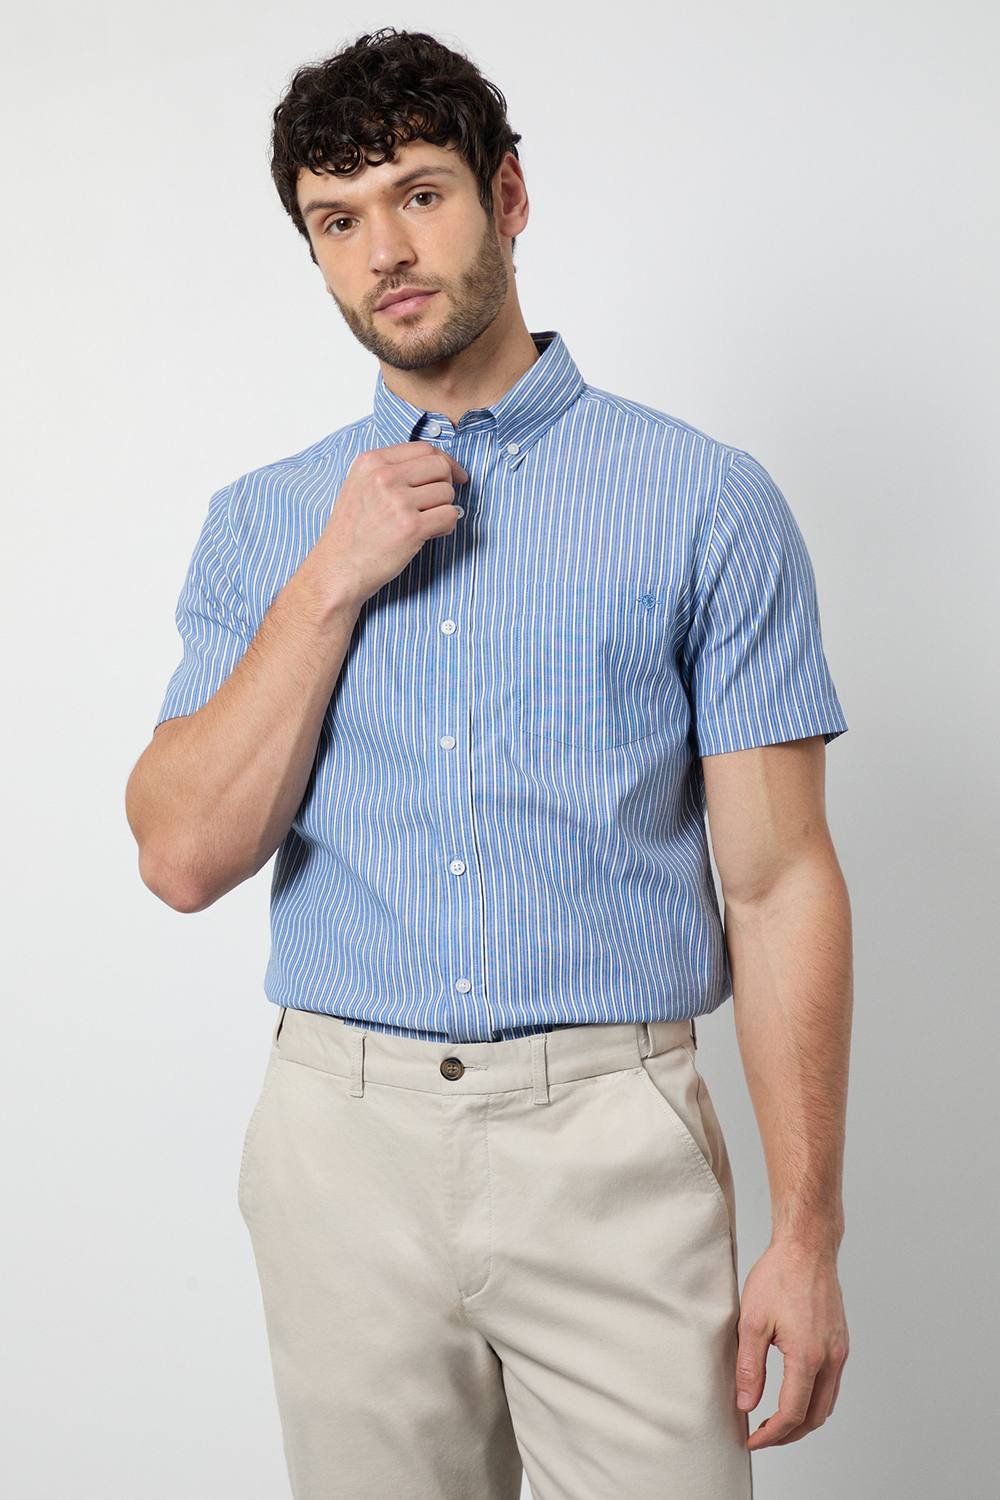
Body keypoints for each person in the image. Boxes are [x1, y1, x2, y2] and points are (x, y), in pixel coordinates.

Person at [125, 26, 852, 1499]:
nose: (385, 252)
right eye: (338, 221)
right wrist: (332, 577)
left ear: (507, 196)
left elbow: (777, 884)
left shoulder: (704, 502)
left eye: (420, 194)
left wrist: (807, 1234)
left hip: (611, 1142)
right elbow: (182, 856)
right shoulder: (267, 525)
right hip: (341, 1149)